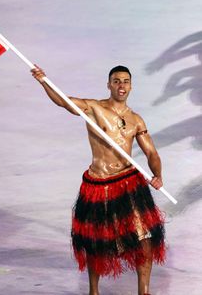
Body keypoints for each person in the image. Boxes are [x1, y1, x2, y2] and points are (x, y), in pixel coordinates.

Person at [31, 64, 165, 295]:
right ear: (109, 84)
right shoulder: (94, 108)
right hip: (99, 184)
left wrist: (157, 175)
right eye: (116, 81)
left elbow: (151, 153)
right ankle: (94, 292)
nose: (121, 85)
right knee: (97, 242)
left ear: (131, 86)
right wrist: (44, 80)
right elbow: (64, 101)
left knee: (143, 237)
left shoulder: (136, 120)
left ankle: (144, 291)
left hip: (128, 183)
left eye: (125, 81)